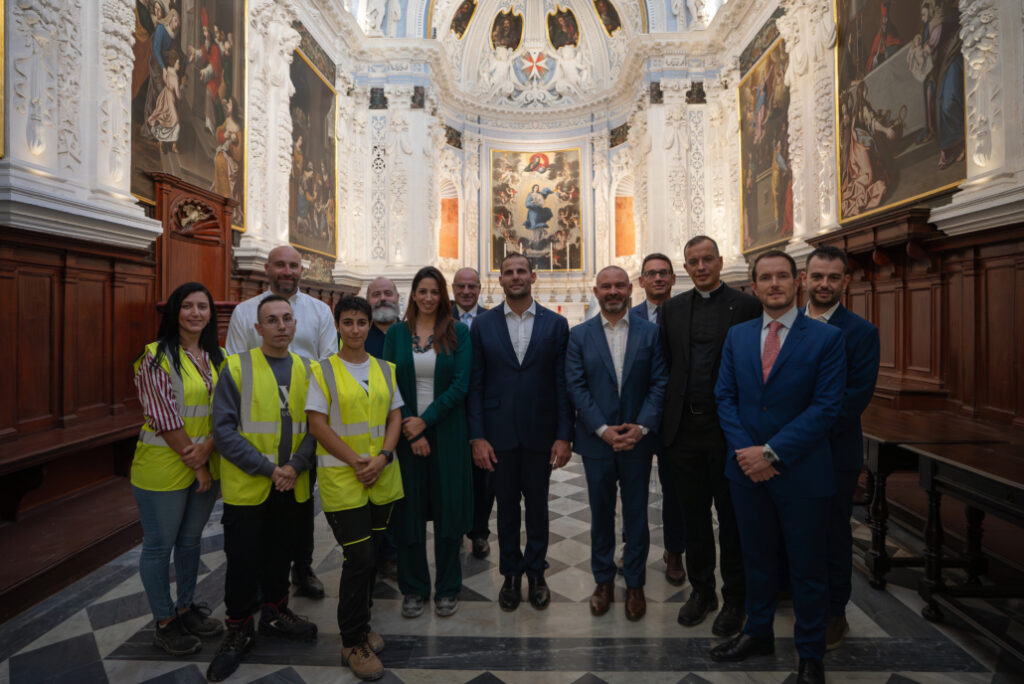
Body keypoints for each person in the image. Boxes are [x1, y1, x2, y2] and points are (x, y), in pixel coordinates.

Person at [710, 250, 846, 684]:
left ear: (798, 282)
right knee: (757, 560)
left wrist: (770, 453)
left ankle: (810, 654)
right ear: (753, 287)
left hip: (803, 473)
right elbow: (725, 399)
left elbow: (825, 409)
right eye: (765, 278)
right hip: (746, 474)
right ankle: (758, 632)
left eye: (782, 277)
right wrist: (749, 455)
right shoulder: (738, 336)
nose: (774, 284)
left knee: (807, 567)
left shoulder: (827, 339)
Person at [207, 296, 318, 681]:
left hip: (293, 483)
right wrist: (271, 470)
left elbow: (317, 428)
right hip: (251, 486)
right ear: (258, 328)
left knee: (282, 554)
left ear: (295, 323)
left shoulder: (309, 368)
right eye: (272, 320)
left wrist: (295, 467)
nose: (281, 326)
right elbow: (222, 432)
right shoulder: (235, 369)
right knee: (242, 558)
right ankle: (238, 628)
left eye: (287, 318)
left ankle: (275, 611)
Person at [661, 236, 762, 636]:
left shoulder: (748, 306)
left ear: (720, 262)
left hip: (728, 432)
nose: (701, 267)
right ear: (684, 268)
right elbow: (670, 365)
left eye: (707, 260)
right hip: (685, 429)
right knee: (694, 517)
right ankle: (702, 591)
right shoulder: (672, 309)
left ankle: (735, 598)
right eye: (693, 262)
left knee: (732, 518)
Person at [226, 245, 336, 600]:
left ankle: (301, 569)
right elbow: (235, 361)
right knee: (257, 511)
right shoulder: (245, 311)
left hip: (305, 425)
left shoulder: (319, 310)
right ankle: (261, 580)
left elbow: (328, 363)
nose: (287, 271)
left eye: (293, 265)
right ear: (267, 268)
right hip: (258, 424)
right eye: (280, 265)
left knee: (301, 507)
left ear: (301, 270)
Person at [306, 295, 404, 681]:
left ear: (369, 325)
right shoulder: (323, 371)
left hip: (381, 476)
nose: (356, 329)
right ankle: (351, 641)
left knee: (373, 555)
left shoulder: (384, 368)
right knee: (358, 557)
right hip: (344, 479)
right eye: (347, 323)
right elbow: (318, 425)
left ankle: (361, 624)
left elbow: (395, 416)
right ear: (338, 326)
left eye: (361, 322)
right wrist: (356, 461)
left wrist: (382, 456)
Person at [468, 253, 572, 611]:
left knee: (539, 507)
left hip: (540, 433)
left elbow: (562, 383)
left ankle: (537, 573)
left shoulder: (556, 325)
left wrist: (564, 435)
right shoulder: (482, 326)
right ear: (499, 280)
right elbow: (476, 384)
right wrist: (477, 436)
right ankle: (511, 574)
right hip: (498, 435)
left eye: (521, 272)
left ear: (533, 276)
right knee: (507, 508)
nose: (515, 277)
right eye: (508, 272)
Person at [567, 266, 667, 621]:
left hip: (638, 441)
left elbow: (660, 383)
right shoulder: (579, 335)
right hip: (598, 443)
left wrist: (640, 428)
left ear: (630, 290)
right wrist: (602, 429)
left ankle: (636, 583)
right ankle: (604, 581)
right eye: (606, 286)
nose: (613, 291)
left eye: (619, 285)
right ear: (596, 292)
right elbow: (576, 386)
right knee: (601, 515)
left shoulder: (651, 333)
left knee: (638, 515)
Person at [130, 282, 225, 656]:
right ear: (175, 312)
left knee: (190, 541)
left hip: (207, 458)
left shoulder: (218, 356)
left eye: (203, 306)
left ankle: (186, 608)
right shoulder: (156, 356)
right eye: (187, 306)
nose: (196, 313)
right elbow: (165, 417)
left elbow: (226, 410)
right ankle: (165, 621)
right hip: (162, 467)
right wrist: (199, 464)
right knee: (159, 546)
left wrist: (210, 449)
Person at [383, 267, 473, 618]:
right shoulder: (396, 333)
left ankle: (448, 587)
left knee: (449, 511)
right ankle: (414, 587)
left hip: (447, 432)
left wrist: (426, 422)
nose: (429, 297)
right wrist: (412, 427)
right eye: (422, 291)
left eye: (435, 291)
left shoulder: (458, 333)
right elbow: (388, 382)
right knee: (409, 513)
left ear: (443, 295)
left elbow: (461, 385)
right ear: (414, 294)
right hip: (404, 433)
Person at [802, 247, 879, 650]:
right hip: (784, 454)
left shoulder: (861, 332)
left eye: (833, 278)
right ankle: (792, 594)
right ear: (805, 278)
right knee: (789, 530)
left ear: (845, 281)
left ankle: (835, 612)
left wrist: (791, 437)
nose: (824, 284)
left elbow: (852, 401)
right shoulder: (783, 324)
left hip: (832, 453)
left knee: (833, 537)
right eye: (818, 276)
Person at [631, 253, 687, 586]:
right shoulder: (627, 313)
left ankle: (675, 552)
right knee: (633, 488)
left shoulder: (685, 312)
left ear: (672, 279)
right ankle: (633, 547)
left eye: (664, 273)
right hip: (636, 417)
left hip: (675, 418)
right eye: (651, 274)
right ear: (641, 281)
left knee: (675, 490)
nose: (658, 279)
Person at [451, 267, 493, 559]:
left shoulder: (493, 319)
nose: (467, 292)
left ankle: (479, 532)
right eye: (461, 286)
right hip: (449, 407)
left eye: (472, 287)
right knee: (451, 474)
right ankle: (453, 529)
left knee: (484, 475)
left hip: (486, 409)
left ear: (480, 288)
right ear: (453, 289)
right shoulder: (438, 318)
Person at [366, 277, 401, 358]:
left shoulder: (411, 335)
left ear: (397, 297)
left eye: (388, 293)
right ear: (367, 301)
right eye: (376, 295)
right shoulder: (358, 337)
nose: (382, 298)